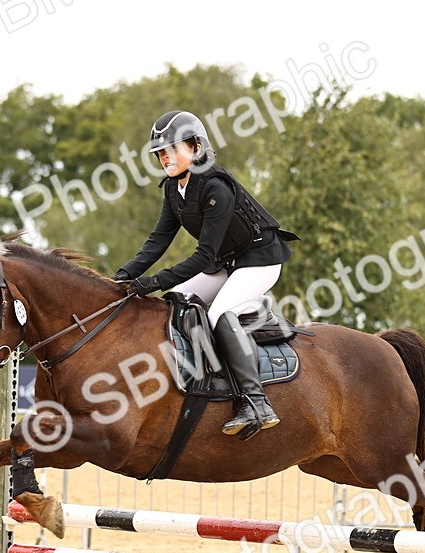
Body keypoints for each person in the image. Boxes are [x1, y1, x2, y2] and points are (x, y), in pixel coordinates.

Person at [114, 110, 299, 439]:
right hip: (226, 263)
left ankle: (257, 403)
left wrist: (154, 282)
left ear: (196, 147)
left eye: (172, 149)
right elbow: (157, 242)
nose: (165, 157)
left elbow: (204, 256)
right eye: (160, 152)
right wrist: (121, 277)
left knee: (218, 315)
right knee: (176, 301)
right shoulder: (174, 190)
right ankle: (204, 377)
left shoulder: (216, 188)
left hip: (259, 259)